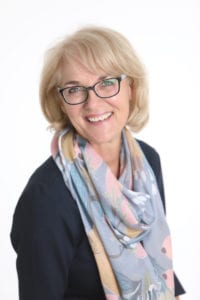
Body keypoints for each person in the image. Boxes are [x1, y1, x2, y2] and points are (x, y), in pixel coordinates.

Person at [10, 26, 185, 300]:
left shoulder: (147, 163)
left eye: (106, 83)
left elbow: (152, 259)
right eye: (75, 89)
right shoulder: (46, 199)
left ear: (131, 87)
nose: (93, 103)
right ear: (61, 101)